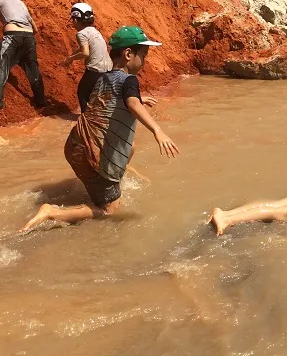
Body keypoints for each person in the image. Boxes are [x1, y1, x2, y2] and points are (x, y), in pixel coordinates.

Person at [19, 26, 179, 233]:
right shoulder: (130, 80)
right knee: (110, 209)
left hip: (75, 145)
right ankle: (52, 212)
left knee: (129, 148)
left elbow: (110, 101)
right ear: (128, 54)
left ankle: (107, 182)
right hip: (91, 154)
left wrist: (139, 99)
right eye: (144, 55)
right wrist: (158, 131)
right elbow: (132, 104)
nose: (145, 61)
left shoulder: (103, 78)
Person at [0, 0, 45, 110]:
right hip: (29, 37)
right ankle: (41, 102)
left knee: (2, 65)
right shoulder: (22, 4)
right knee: (33, 69)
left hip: (13, 35)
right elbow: (35, 29)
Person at [61, 3, 112, 112]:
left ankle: (86, 119)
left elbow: (85, 53)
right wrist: (70, 56)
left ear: (75, 20)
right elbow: (83, 48)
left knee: (82, 93)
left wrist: (70, 59)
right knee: (98, 96)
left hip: (95, 70)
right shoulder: (95, 31)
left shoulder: (81, 34)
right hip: (107, 69)